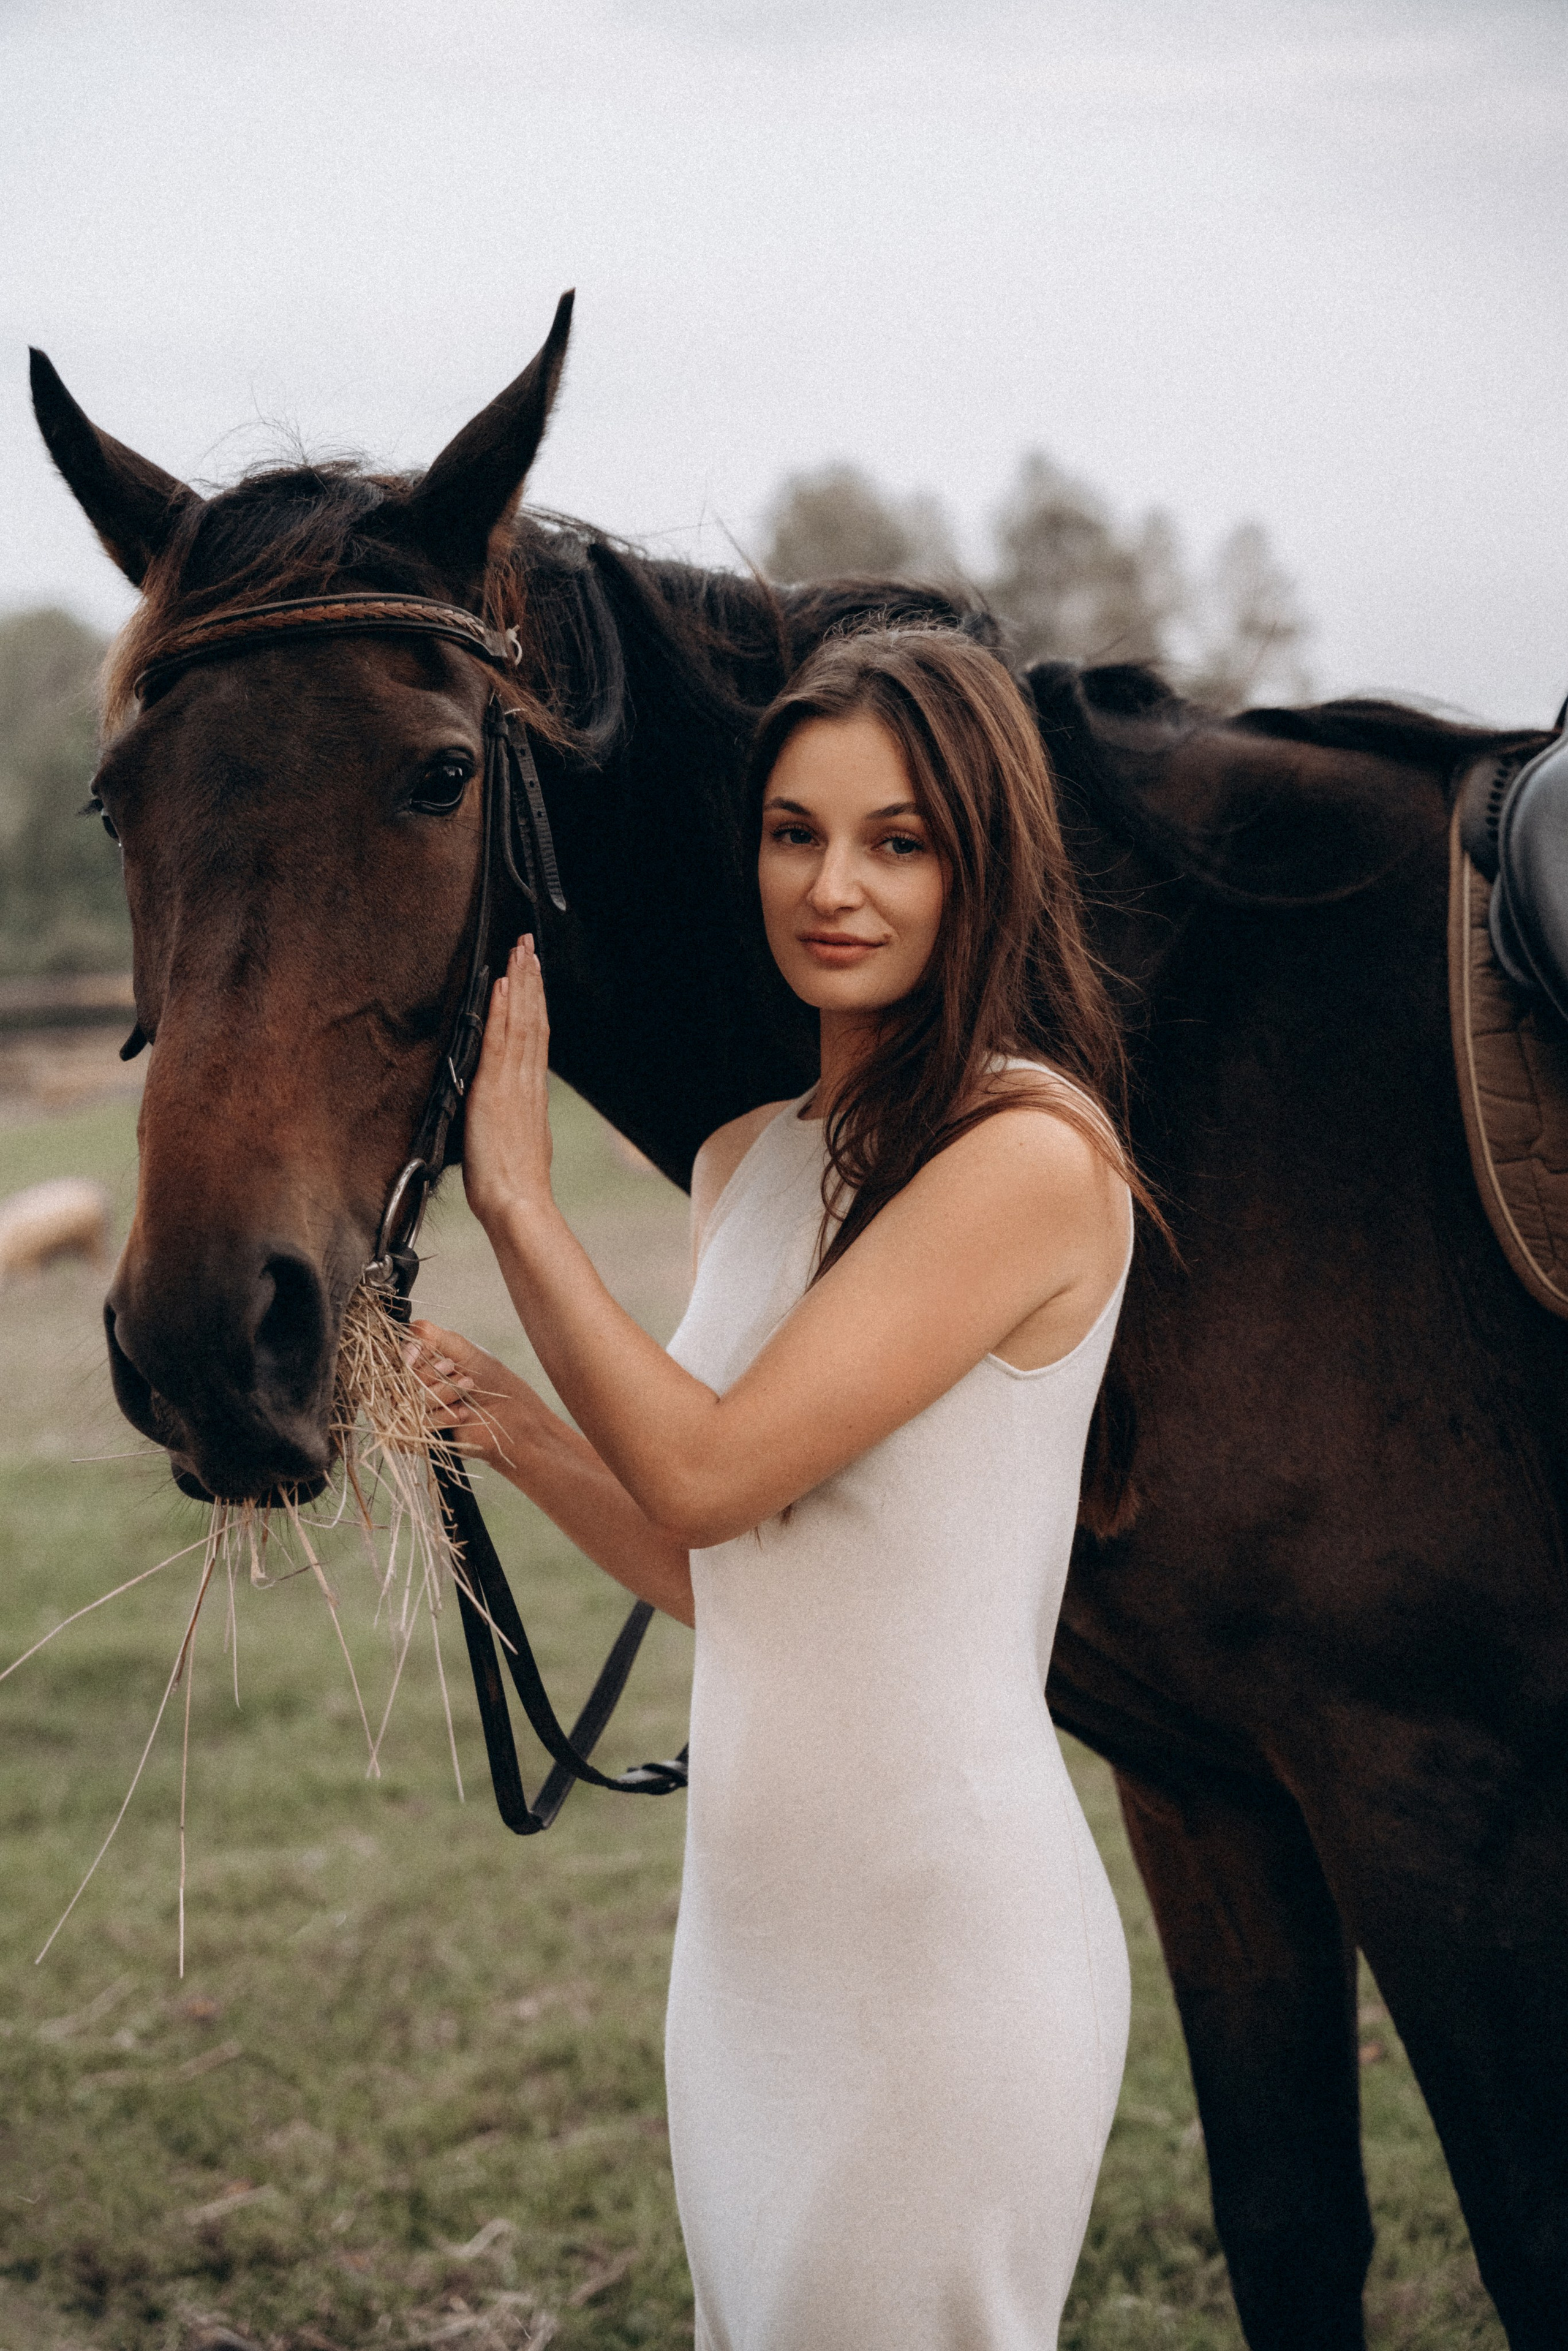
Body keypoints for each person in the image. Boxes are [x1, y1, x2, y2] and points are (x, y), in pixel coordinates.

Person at [407, 625, 1142, 2349]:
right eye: (795, 832)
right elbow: (714, 1558)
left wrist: (519, 1204)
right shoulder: (751, 1158)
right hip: (747, 1958)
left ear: (987, 862)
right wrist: (508, 1426)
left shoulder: (1026, 1156)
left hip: (938, 1955)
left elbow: (713, 1465)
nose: (836, 885)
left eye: (900, 840)